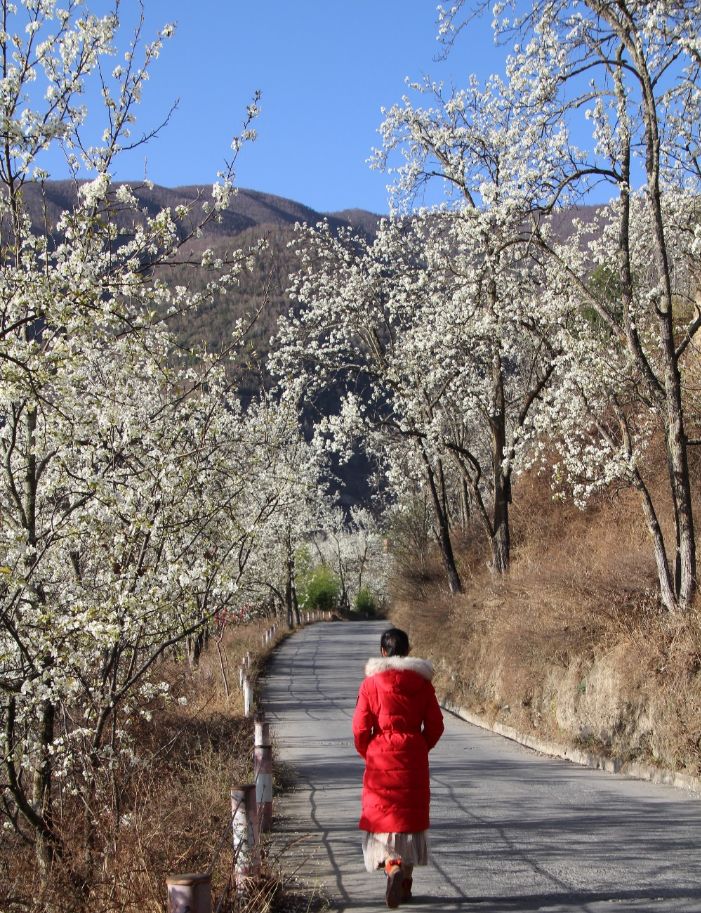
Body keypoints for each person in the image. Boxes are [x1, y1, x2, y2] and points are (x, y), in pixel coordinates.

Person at [352, 627, 444, 908]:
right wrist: (420, 745)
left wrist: (368, 749)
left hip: (380, 756)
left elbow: (359, 727)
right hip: (413, 756)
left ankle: (391, 867)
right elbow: (436, 725)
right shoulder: (422, 683)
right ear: (408, 651)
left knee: (384, 818)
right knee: (409, 821)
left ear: (383, 652)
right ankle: (405, 882)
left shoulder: (370, 684)